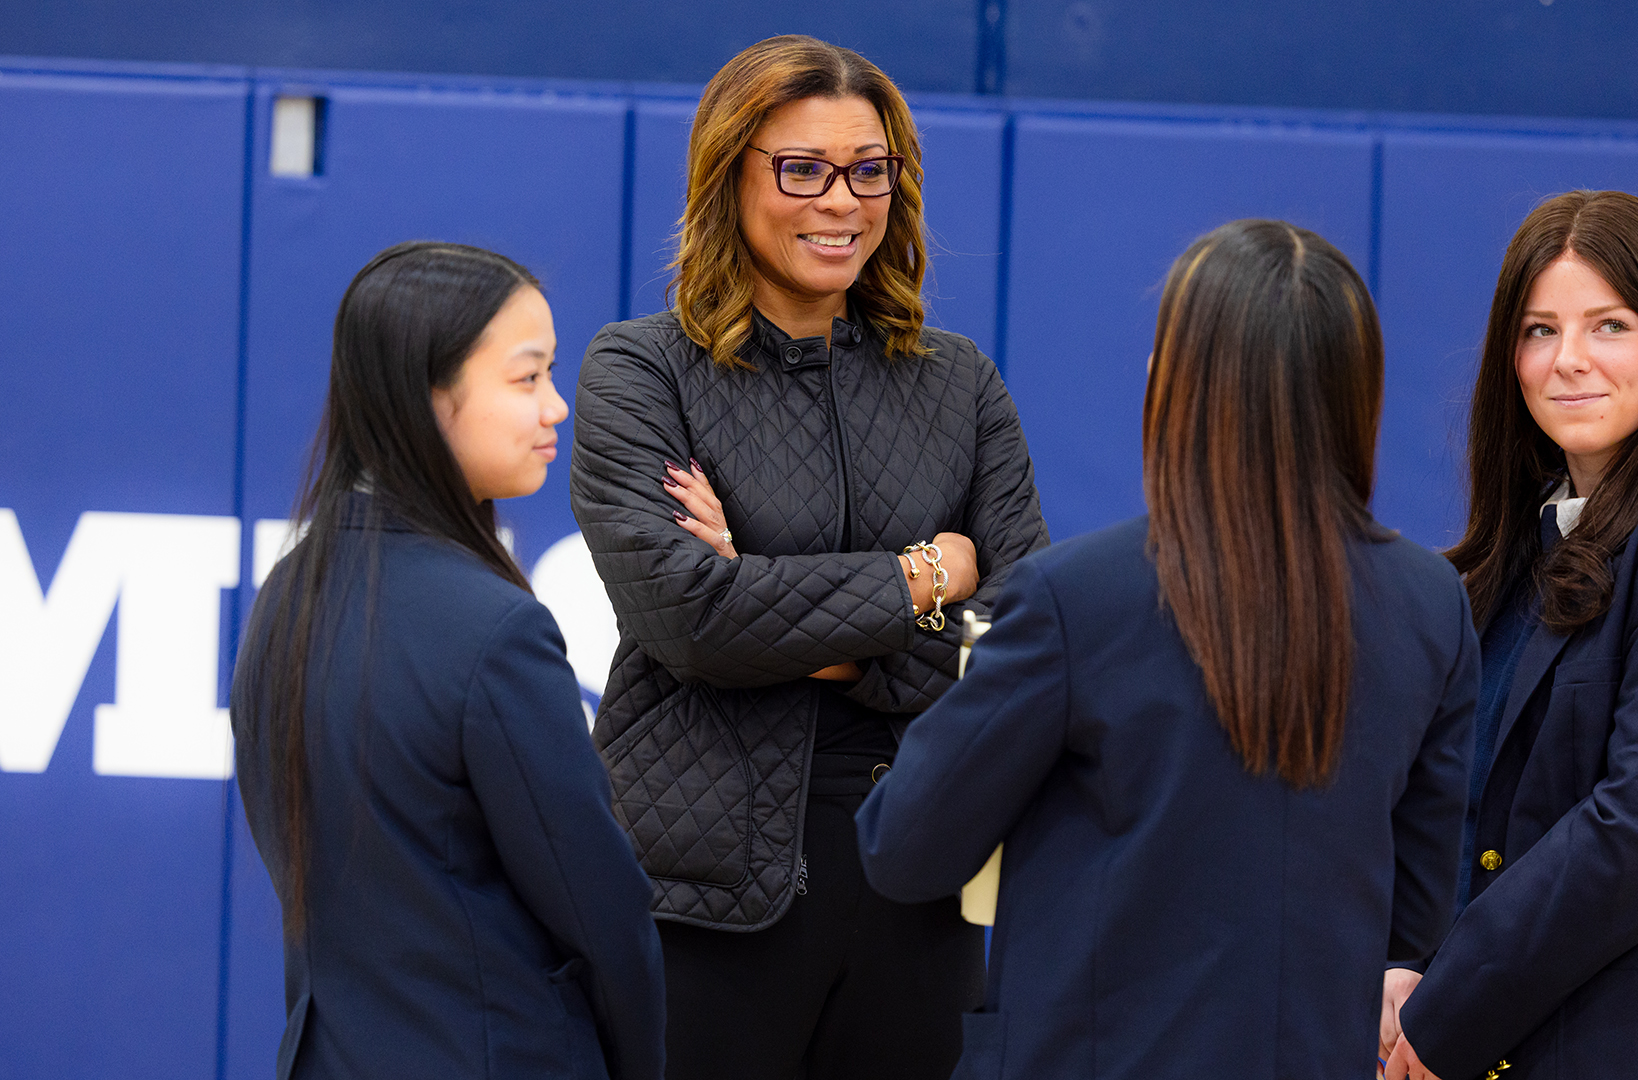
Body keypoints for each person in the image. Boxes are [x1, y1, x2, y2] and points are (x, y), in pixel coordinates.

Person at [853, 218, 1478, 1079]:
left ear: (1177, 382)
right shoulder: (1429, 604)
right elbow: (1418, 912)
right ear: (1358, 393)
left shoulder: (1077, 599)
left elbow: (905, 845)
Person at [568, 34, 1049, 1080]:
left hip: (916, 879)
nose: (842, 202)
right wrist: (929, 576)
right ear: (728, 176)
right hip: (701, 902)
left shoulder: (959, 385)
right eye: (803, 170)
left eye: (868, 172)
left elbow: (1022, 641)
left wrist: (785, 618)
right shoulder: (640, 372)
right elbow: (688, 619)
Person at [1382, 191, 1638, 1080]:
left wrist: (1447, 1008)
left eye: (1608, 325)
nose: (1568, 361)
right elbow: (1455, 809)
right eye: (1539, 330)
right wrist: (1400, 963)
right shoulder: (1521, 545)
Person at [232, 241, 666, 1080]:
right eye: (527, 377)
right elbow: (605, 917)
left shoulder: (288, 592)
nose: (558, 408)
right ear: (427, 396)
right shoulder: (496, 630)